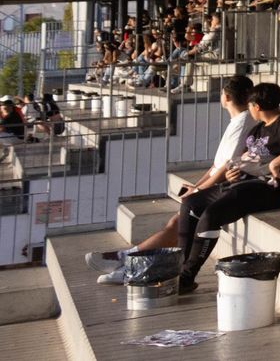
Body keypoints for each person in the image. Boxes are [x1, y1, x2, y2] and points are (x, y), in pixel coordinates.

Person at [85, 75, 255, 285]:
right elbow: (215, 165)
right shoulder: (237, 122)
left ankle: (128, 261)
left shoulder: (244, 122)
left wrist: (199, 191)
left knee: (178, 224)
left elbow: (225, 167)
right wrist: (196, 187)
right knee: (176, 224)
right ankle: (129, 263)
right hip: (214, 185)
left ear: (226, 97)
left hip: (223, 187)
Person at [174, 82, 280, 293]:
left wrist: (275, 163)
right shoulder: (258, 129)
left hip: (271, 187)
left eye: (250, 106)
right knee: (191, 203)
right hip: (242, 182)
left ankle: (187, 276)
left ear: (256, 106)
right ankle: (179, 269)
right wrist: (230, 173)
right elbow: (244, 158)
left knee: (211, 215)